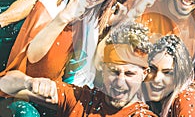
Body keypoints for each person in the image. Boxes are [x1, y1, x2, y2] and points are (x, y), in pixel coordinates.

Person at [0, 0, 119, 88]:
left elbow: (94, 62)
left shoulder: (93, 11)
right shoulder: (50, 7)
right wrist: (63, 18)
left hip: (71, 90)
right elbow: (32, 57)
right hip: (30, 89)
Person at [0, 22, 158, 117]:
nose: (120, 81)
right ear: (102, 69)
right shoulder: (82, 99)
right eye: (114, 71)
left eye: (130, 74)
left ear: (144, 74)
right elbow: (5, 83)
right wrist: (30, 82)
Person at [143, 34, 195, 117]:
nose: (157, 79)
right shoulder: (145, 98)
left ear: (180, 76)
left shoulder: (189, 100)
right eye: (152, 69)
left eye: (167, 72)